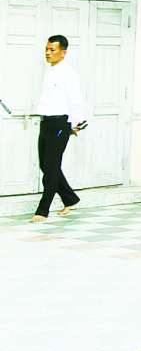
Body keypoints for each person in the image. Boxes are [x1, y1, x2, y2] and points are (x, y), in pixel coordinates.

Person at [31, 34, 89, 222]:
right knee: (46, 165)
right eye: (46, 49)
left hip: (60, 124)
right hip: (46, 123)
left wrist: (76, 124)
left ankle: (43, 210)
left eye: (52, 50)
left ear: (63, 52)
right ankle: (69, 198)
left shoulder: (68, 73)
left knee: (51, 167)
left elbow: (76, 100)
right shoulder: (50, 70)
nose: (48, 53)